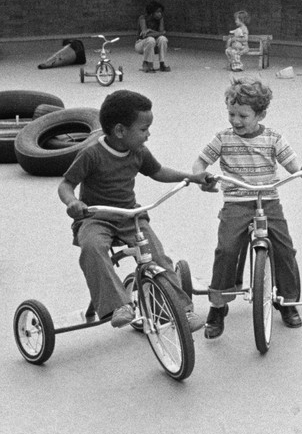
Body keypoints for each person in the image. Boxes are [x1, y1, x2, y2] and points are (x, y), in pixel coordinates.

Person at [58, 90, 209, 330]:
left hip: (130, 216)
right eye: (143, 129)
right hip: (96, 217)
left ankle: (182, 311)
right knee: (92, 248)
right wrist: (73, 203)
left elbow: (157, 171)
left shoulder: (138, 152)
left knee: (157, 256)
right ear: (120, 131)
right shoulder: (92, 154)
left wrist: (191, 177)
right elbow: (66, 185)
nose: (148, 135)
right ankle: (119, 305)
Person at [193, 78, 302, 339]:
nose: (235, 120)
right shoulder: (223, 138)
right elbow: (201, 162)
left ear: (260, 114)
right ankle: (218, 305)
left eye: (243, 115)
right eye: (231, 114)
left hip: (268, 199)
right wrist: (200, 176)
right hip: (236, 202)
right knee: (226, 250)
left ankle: (287, 301)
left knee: (284, 249)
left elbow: (292, 165)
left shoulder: (273, 138)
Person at [135, 0, 170, 73]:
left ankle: (162, 64)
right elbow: (145, 35)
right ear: (151, 13)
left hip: (155, 46)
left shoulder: (160, 19)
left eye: (161, 12)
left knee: (162, 39)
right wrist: (160, 33)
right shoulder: (143, 18)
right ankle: (149, 64)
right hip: (141, 44)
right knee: (150, 39)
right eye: (158, 12)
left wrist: (152, 31)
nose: (160, 14)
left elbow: (162, 33)